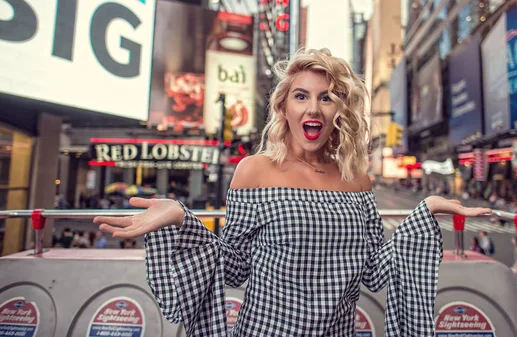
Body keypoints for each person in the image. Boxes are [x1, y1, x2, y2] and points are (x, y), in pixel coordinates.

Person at [94, 49, 490, 336]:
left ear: (340, 111)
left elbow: (373, 272)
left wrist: (425, 211)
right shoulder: (255, 170)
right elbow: (234, 267)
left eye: (326, 97)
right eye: (301, 96)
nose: (313, 108)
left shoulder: (356, 178)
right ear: (284, 107)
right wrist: (183, 217)